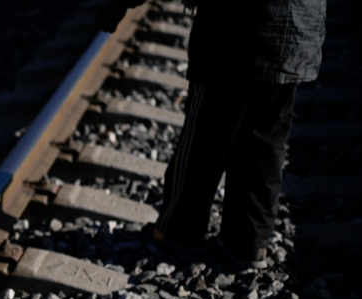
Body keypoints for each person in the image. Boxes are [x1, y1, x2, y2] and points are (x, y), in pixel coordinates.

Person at [96, 0, 326, 268]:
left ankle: (177, 231)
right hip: (294, 34)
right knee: (265, 143)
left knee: (204, 140)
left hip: (230, 34)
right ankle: (249, 243)